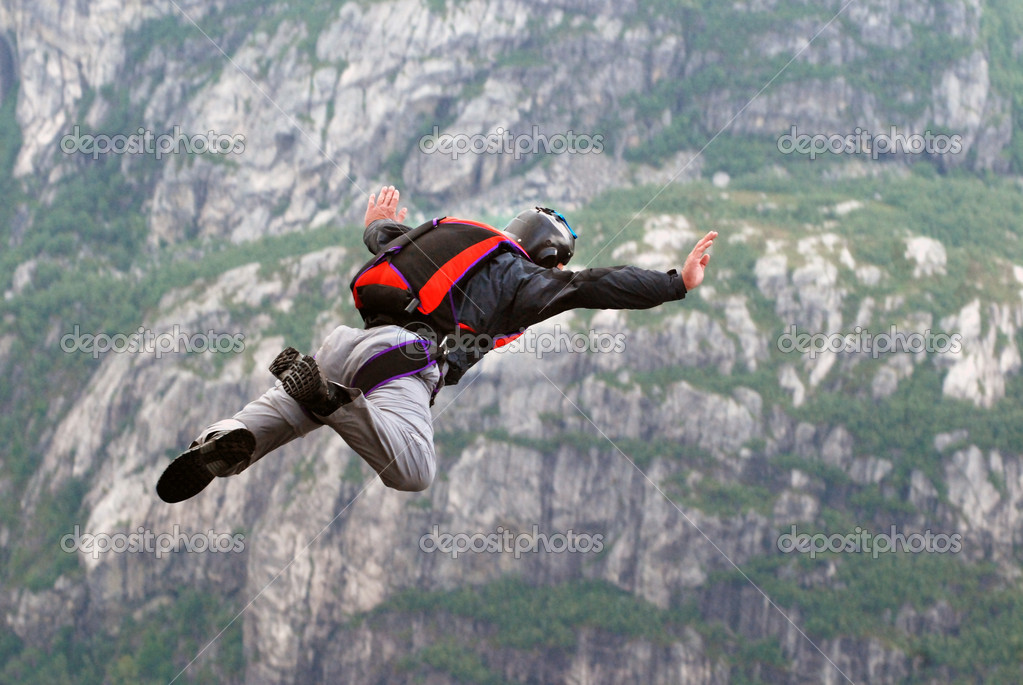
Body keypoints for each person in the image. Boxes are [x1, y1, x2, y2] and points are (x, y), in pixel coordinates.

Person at [156, 186, 717, 503]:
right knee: (412, 470)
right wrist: (675, 284)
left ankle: (224, 439)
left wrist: (375, 226)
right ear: (548, 254)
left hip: (347, 341)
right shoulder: (521, 280)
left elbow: (386, 239)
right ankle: (330, 401)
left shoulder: (460, 248)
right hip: (403, 362)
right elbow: (592, 285)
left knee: (282, 414)